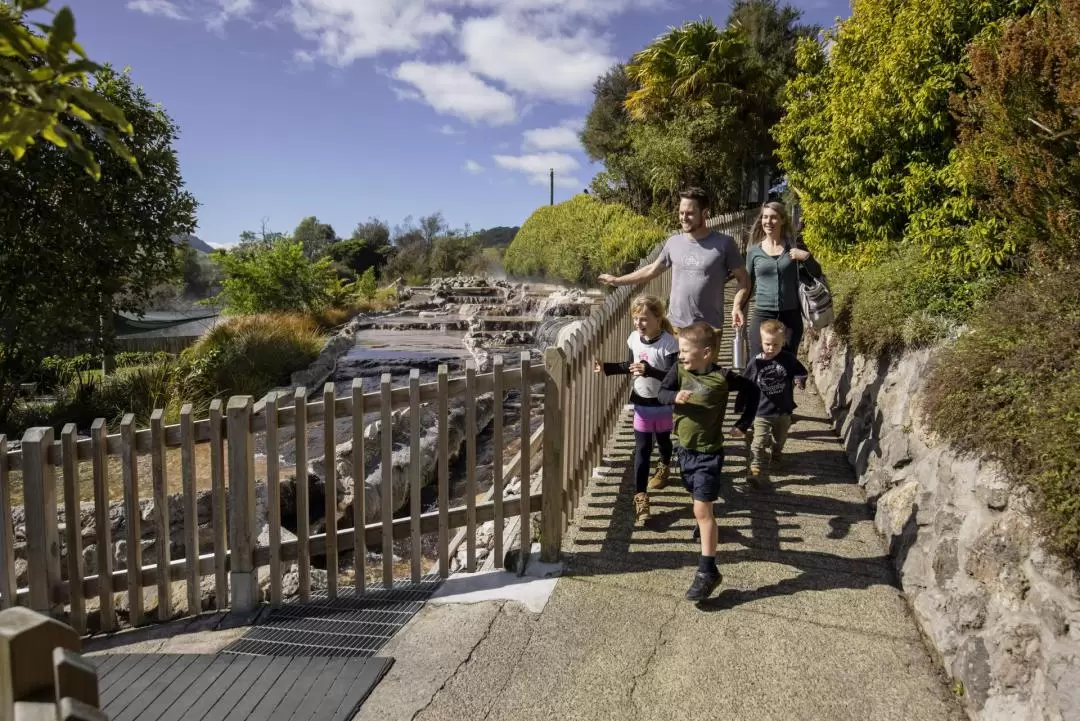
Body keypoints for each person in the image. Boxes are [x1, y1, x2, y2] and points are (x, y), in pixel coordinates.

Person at [656, 322, 758, 602]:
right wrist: (674, 395)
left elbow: (753, 391)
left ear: (707, 353)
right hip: (684, 450)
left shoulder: (723, 378)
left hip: (709, 454)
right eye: (680, 351)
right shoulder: (678, 371)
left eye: (686, 351)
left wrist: (743, 423)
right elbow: (660, 394)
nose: (681, 356)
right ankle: (706, 527)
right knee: (699, 505)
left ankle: (707, 571)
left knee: (702, 511)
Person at [598, 187, 750, 344]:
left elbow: (743, 279)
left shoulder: (724, 244)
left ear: (704, 213)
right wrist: (617, 281)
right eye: (681, 212)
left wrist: (736, 306)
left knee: (705, 370)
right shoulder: (674, 242)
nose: (684, 217)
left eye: (690, 213)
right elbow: (651, 269)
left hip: (708, 329)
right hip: (675, 327)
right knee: (674, 370)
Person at [593, 295, 679, 523]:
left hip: (662, 404)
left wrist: (649, 370)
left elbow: (673, 377)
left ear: (658, 319)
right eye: (635, 320)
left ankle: (664, 465)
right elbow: (630, 366)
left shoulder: (669, 343)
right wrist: (605, 367)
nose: (638, 325)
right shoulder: (633, 339)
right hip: (641, 403)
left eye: (643, 319)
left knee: (663, 441)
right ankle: (641, 497)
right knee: (642, 449)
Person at [733, 201, 822, 359]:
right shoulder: (753, 252)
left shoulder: (795, 246)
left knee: (785, 367)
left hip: (790, 318)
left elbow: (816, 272)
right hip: (762, 314)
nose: (768, 221)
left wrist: (806, 257)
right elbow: (747, 285)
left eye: (773, 217)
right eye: (765, 217)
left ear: (782, 220)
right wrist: (737, 307)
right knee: (757, 363)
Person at [742, 320, 808, 485]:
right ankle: (754, 468)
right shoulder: (755, 362)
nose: (771, 348)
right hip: (761, 411)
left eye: (776, 345)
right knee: (758, 442)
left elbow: (801, 371)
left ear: (783, 342)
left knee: (779, 439)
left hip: (783, 410)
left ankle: (776, 454)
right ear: (761, 342)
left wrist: (799, 380)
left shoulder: (788, 359)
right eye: (767, 344)